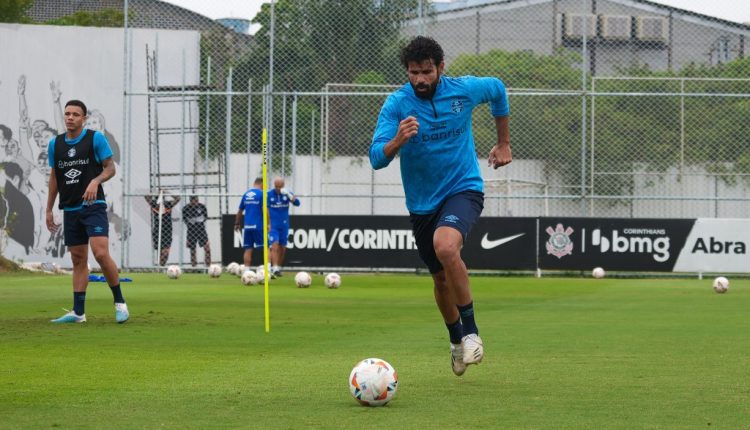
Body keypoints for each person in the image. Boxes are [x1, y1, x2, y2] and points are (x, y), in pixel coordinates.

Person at [369, 36, 511, 376]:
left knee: (446, 246)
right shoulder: (397, 105)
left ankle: (473, 333)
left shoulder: (463, 90)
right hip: (422, 204)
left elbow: (498, 90)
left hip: (463, 187)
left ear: (441, 68)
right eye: (414, 72)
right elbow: (376, 158)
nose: (420, 79)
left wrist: (503, 143)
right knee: (439, 280)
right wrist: (397, 141)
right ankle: (455, 340)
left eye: (427, 72)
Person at [46, 99, 129, 324]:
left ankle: (120, 303)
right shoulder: (55, 144)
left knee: (100, 253)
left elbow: (110, 168)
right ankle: (78, 313)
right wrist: (49, 209)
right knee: (78, 259)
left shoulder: (95, 139)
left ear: (83, 118)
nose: (70, 117)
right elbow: (54, 177)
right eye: (67, 114)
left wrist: (95, 181)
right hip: (70, 208)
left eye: (75, 114)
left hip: (93, 206)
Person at [267, 176, 300, 277]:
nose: (278, 189)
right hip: (273, 226)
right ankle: (274, 267)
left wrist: (290, 196)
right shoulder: (269, 194)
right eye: (276, 186)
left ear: (283, 186)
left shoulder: (287, 193)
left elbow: (297, 203)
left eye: (280, 186)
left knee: (283, 248)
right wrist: (268, 223)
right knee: (274, 245)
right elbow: (266, 209)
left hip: (284, 225)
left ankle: (278, 268)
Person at [235, 177, 267, 270]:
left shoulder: (246, 194)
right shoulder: (262, 194)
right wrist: (268, 223)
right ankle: (267, 270)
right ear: (262, 184)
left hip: (248, 226)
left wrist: (237, 223)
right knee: (266, 248)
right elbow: (264, 210)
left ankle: (246, 271)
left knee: (248, 249)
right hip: (259, 225)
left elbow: (240, 210)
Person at [145, 190, 180, 266]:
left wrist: (166, 192)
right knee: (160, 253)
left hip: (167, 231)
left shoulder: (168, 204)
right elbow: (146, 197)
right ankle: (160, 267)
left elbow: (178, 198)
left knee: (165, 253)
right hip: (157, 231)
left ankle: (161, 266)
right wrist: (156, 192)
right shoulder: (154, 204)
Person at [182, 195, 211, 267]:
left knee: (207, 248)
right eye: (195, 201)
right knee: (192, 251)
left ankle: (208, 267)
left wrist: (197, 221)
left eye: (197, 200)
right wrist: (193, 222)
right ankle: (194, 267)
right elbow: (185, 220)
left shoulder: (202, 207)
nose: (197, 202)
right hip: (191, 231)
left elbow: (205, 217)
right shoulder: (186, 209)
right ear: (191, 201)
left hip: (201, 230)